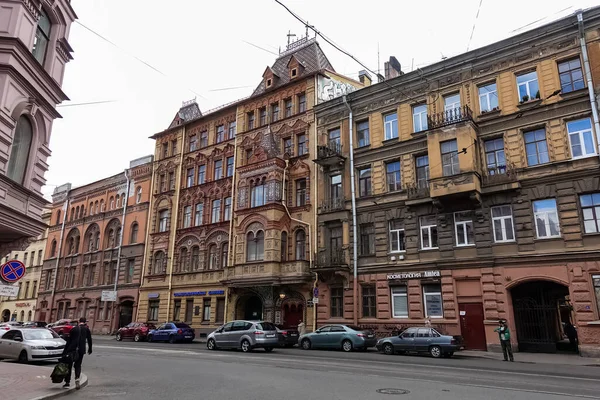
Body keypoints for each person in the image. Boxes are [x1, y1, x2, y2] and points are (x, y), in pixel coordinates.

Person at [61, 317, 93, 389]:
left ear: (79, 321)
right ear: (85, 322)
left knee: (69, 365)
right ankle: (77, 378)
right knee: (78, 365)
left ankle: (67, 382)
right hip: (81, 350)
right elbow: (89, 340)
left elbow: (69, 341)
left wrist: (65, 351)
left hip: (72, 349)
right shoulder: (86, 329)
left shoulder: (74, 329)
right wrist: (90, 349)